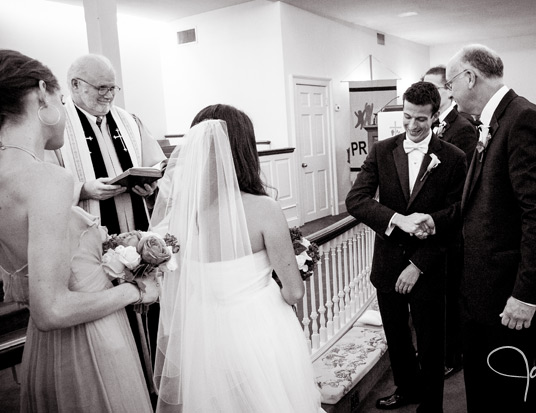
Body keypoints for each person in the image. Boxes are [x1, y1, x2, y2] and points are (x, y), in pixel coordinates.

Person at [0, 49, 159, 411]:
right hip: (89, 337)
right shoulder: (48, 179)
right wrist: (137, 290)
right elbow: (52, 309)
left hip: (44, 349)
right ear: (43, 94)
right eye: (58, 97)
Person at [150, 104, 324, 412]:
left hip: (204, 334)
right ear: (246, 150)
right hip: (259, 330)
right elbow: (294, 291)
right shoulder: (264, 208)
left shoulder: (181, 214)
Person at [445, 44, 536, 412]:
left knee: (515, 389)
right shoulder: (494, 122)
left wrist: (525, 296)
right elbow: (489, 202)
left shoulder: (523, 119)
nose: (450, 93)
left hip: (509, 292)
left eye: (450, 83)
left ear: (470, 77)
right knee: (487, 386)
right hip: (484, 288)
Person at [45, 54, 167, 401]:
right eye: (101, 87)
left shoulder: (129, 121)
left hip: (135, 230)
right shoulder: (57, 127)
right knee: (110, 321)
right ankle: (125, 390)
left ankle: (153, 382)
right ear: (75, 86)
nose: (109, 95)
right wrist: (84, 189)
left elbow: (154, 162)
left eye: (113, 87)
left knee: (149, 309)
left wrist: (150, 185)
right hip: (88, 244)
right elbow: (43, 184)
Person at [346, 82, 467, 413]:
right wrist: (396, 218)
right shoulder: (382, 151)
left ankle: (430, 405)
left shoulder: (453, 158)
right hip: (387, 263)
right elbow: (355, 200)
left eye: (421, 120)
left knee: (430, 343)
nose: (413, 126)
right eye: (408, 118)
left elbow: (457, 215)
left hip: (428, 267)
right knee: (397, 338)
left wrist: (418, 265)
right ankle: (406, 390)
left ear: (435, 117)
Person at [422, 66, 478, 380]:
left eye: (432, 89)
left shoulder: (463, 128)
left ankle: (453, 354)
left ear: (447, 89)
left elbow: (464, 186)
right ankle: (439, 348)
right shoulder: (431, 125)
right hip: (431, 223)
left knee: (452, 293)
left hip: (451, 225)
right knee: (436, 294)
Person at [423, 66, 478, 164]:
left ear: (449, 90)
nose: (426, 95)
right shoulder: (427, 124)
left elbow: (464, 171)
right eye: (424, 89)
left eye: (432, 89)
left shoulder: (463, 128)